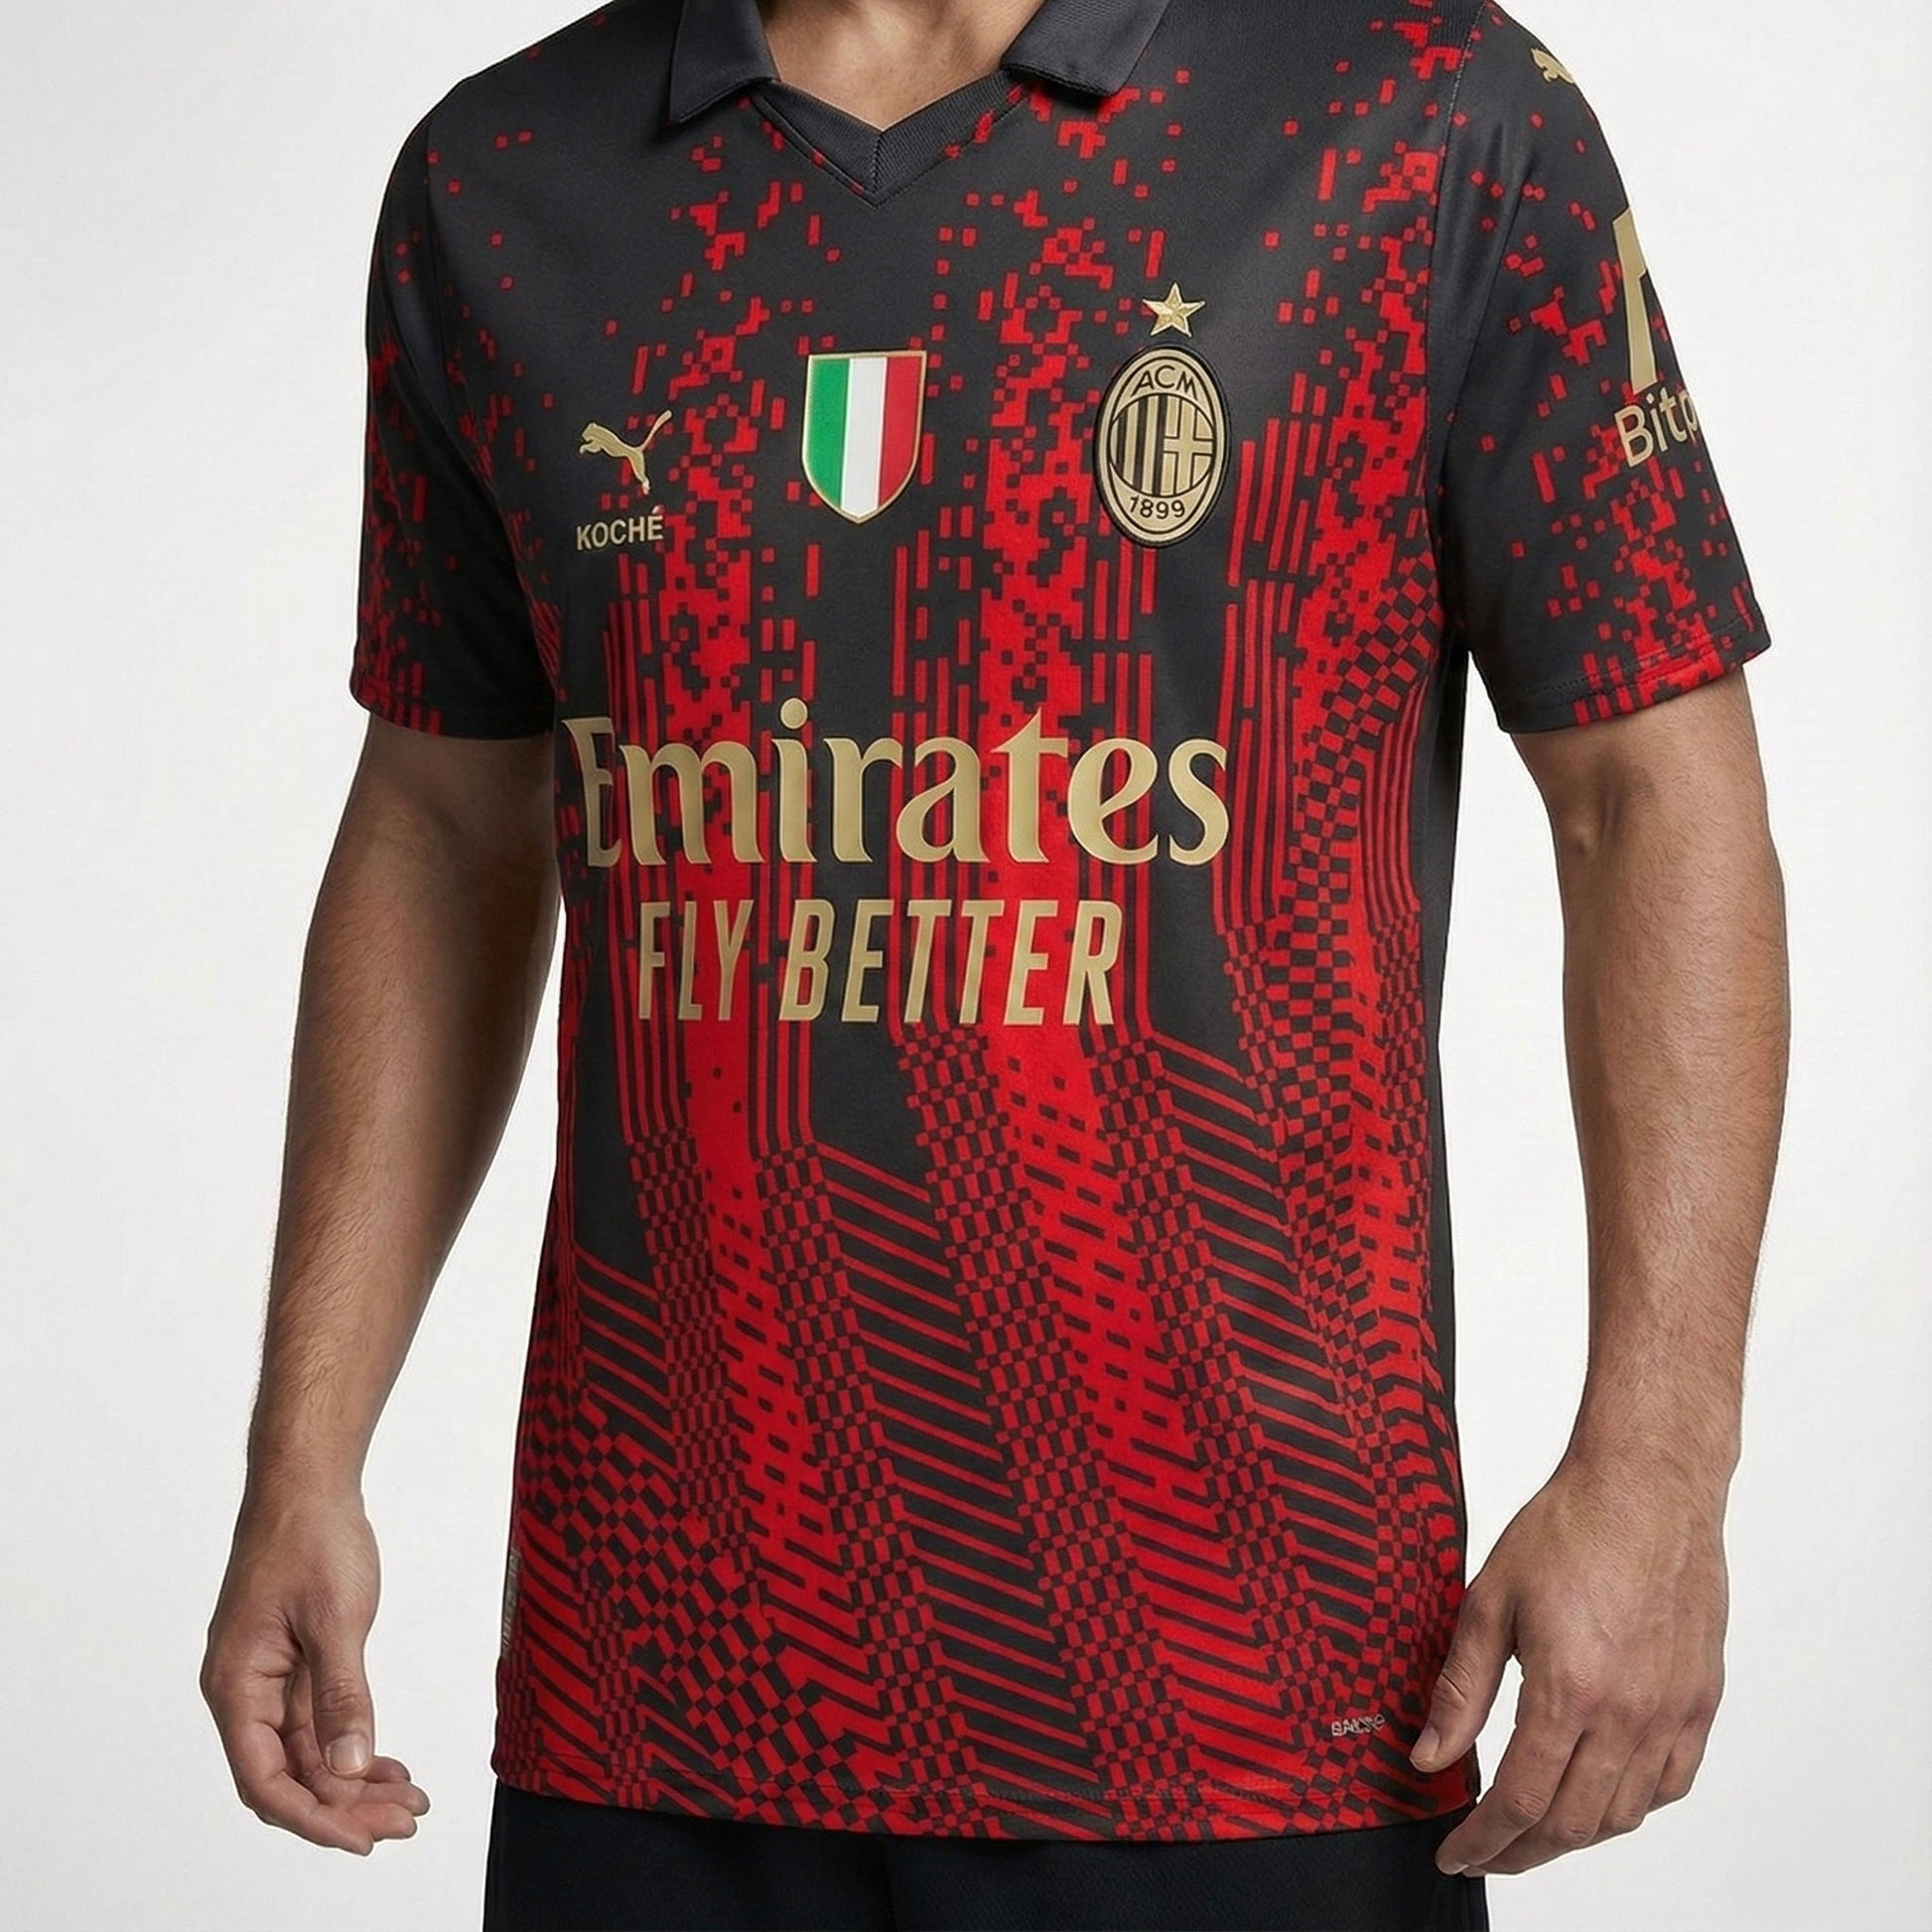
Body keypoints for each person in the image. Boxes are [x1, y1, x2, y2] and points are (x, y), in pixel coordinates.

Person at [200, 0, 1788, 1924]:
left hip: (1254, 1687)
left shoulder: (1426, 116)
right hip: (661, 1679)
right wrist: (303, 1450)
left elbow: (1648, 794)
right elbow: (440, 822)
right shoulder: (501, 182)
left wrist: (1660, 1464)